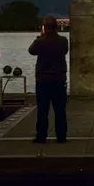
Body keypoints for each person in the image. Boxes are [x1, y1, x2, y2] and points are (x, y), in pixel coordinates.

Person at [29, 15, 70, 144]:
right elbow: (65, 51)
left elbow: (31, 51)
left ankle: (41, 136)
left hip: (43, 80)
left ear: (45, 28)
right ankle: (61, 136)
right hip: (59, 79)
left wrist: (40, 37)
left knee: (42, 110)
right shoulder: (63, 40)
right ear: (56, 27)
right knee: (60, 110)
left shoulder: (40, 41)